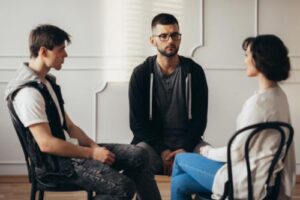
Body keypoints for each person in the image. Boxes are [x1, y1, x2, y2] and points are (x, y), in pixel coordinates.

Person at [5, 24, 161, 200]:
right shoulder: (29, 93)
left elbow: (70, 127)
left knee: (140, 154)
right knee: (123, 187)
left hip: (69, 151)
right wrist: (92, 154)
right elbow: (46, 144)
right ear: (43, 52)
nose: (66, 54)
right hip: (55, 166)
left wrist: (95, 147)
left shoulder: (46, 83)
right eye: (61, 49)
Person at [171, 35, 296, 200]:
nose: (245, 61)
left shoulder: (258, 104)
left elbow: (236, 153)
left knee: (180, 158)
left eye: (247, 56)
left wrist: (207, 151)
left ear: (259, 60)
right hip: (267, 177)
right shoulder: (280, 96)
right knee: (180, 183)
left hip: (248, 179)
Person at [129, 13, 208, 176]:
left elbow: (200, 120)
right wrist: (163, 151)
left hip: (187, 145)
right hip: (152, 146)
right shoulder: (141, 73)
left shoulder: (195, 71)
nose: (170, 40)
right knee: (136, 157)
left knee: (210, 159)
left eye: (174, 35)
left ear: (180, 38)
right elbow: (138, 124)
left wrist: (184, 149)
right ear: (153, 40)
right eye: (163, 36)